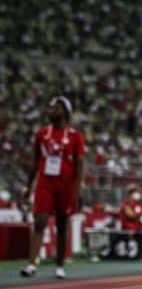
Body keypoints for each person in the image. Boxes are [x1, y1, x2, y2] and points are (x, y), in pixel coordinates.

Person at [21, 96, 86, 279]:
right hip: (45, 183)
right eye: (50, 108)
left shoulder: (75, 135)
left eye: (56, 108)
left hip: (66, 185)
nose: (52, 111)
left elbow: (80, 163)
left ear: (65, 112)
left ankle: (59, 265)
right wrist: (28, 186)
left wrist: (79, 188)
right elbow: (35, 161)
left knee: (62, 224)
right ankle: (31, 264)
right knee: (40, 221)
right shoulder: (42, 134)